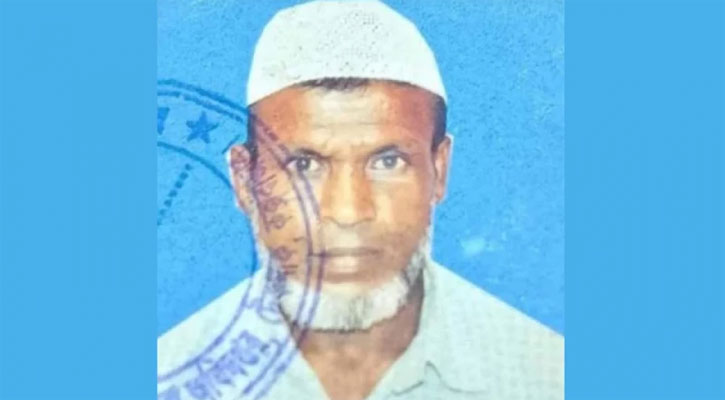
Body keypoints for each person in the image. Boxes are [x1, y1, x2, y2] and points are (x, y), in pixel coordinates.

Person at [158, 1, 563, 399]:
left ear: (439, 170)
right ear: (246, 181)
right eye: (304, 165)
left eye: (387, 162)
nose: (348, 212)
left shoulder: (548, 377)